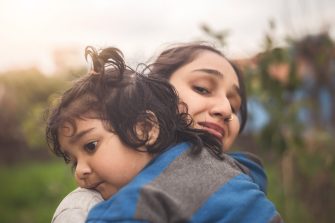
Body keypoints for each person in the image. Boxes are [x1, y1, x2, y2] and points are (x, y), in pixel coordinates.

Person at [47, 46, 283, 222]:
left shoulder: (155, 191)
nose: (225, 109)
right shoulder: (245, 172)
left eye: (234, 105)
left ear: (147, 127)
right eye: (202, 88)